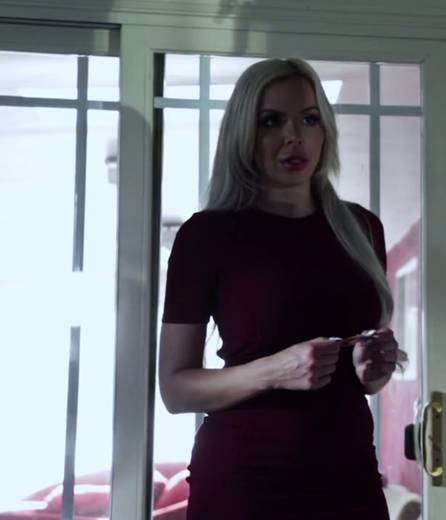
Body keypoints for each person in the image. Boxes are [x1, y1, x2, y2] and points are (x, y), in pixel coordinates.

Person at [158, 58, 402, 520]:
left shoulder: (362, 228)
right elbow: (175, 389)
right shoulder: (206, 236)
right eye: (271, 121)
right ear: (243, 134)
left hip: (348, 475)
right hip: (244, 481)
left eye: (309, 119)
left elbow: (366, 380)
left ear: (325, 129)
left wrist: (373, 369)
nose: (294, 137)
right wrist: (274, 370)